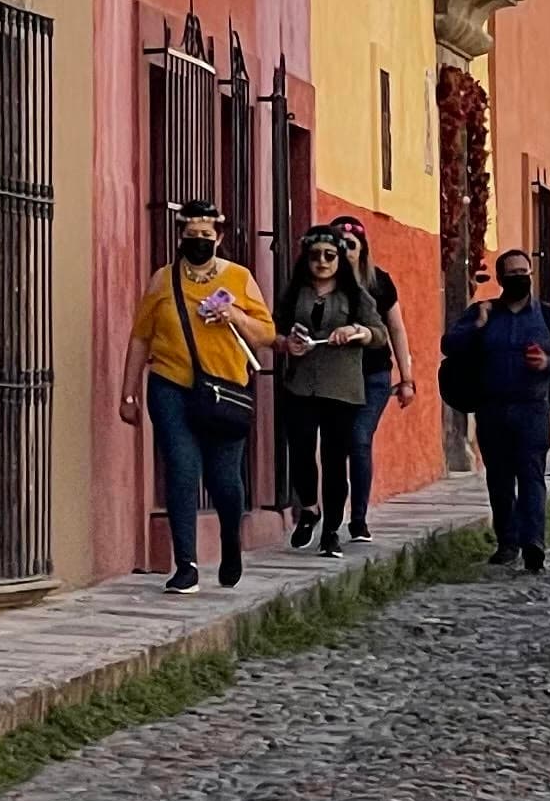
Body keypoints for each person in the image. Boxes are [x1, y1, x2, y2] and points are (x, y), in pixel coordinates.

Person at [120, 202, 275, 593]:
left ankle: (230, 539)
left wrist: (236, 317)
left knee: (225, 478)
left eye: (206, 237)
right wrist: (129, 392)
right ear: (180, 237)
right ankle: (185, 563)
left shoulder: (240, 279)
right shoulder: (162, 281)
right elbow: (141, 337)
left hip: (224, 389)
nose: (199, 243)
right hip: (170, 384)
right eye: (192, 237)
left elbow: (267, 333)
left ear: (219, 238)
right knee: (182, 468)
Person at [440, 246, 550, 572]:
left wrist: (548, 363)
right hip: (492, 409)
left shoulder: (546, 315)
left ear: (530, 275)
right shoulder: (483, 312)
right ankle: (507, 541)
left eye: (523, 273)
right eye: (511, 274)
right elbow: (449, 345)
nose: (518, 278)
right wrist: (478, 325)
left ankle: (534, 544)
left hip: (533, 409)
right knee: (499, 480)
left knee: (532, 477)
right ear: (500, 278)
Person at [271, 227, 384, 556]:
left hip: (342, 388)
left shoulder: (355, 295)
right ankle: (309, 507)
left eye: (329, 256)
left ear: (340, 260)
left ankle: (332, 529)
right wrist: (287, 344)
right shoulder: (295, 293)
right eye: (315, 256)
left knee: (336, 460)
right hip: (301, 384)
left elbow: (379, 333)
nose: (321, 262)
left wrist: (356, 331)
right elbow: (275, 330)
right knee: (302, 452)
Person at [331, 214, 414, 539]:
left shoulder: (379, 282)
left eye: (350, 245)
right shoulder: (324, 285)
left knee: (359, 439)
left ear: (362, 249)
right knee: (337, 446)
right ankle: (335, 516)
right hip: (335, 379)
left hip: (374, 376)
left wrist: (407, 379)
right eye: (338, 245)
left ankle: (360, 517)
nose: (344, 251)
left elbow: (396, 327)